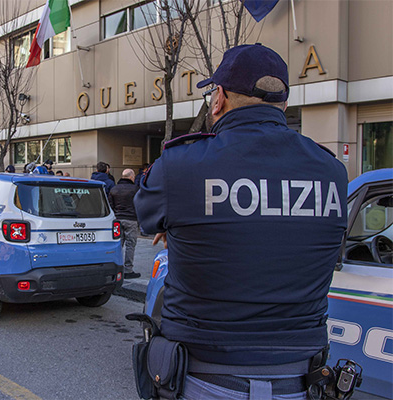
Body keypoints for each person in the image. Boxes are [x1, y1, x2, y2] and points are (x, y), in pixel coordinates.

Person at [134, 44, 348, 400]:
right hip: (299, 381)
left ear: (218, 99)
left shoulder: (180, 166)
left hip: (203, 378)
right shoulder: (331, 172)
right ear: (282, 104)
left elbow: (146, 216)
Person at [108, 169, 140, 279]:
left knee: (118, 244)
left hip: (117, 219)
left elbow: (110, 205)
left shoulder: (114, 189)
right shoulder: (136, 189)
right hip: (131, 219)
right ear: (131, 177)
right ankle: (128, 269)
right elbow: (140, 205)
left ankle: (117, 267)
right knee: (130, 244)